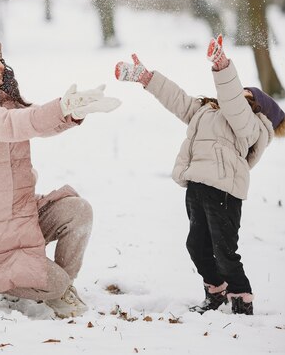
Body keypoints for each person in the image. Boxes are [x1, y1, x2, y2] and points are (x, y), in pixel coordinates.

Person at [0, 36, 121, 318]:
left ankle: (56, 286)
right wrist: (59, 107)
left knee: (78, 211)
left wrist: (72, 111)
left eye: (0, 58)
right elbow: (9, 125)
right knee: (55, 283)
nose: (0, 65)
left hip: (19, 213)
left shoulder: (1, 99)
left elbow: (32, 121)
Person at [115, 35, 284, 316]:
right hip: (197, 185)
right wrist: (147, 78)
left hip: (224, 191)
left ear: (259, 108)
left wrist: (222, 66)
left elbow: (233, 103)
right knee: (197, 245)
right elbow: (178, 100)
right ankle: (215, 292)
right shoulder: (207, 111)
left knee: (225, 251)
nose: (237, 95)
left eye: (247, 96)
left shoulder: (251, 127)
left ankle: (242, 300)